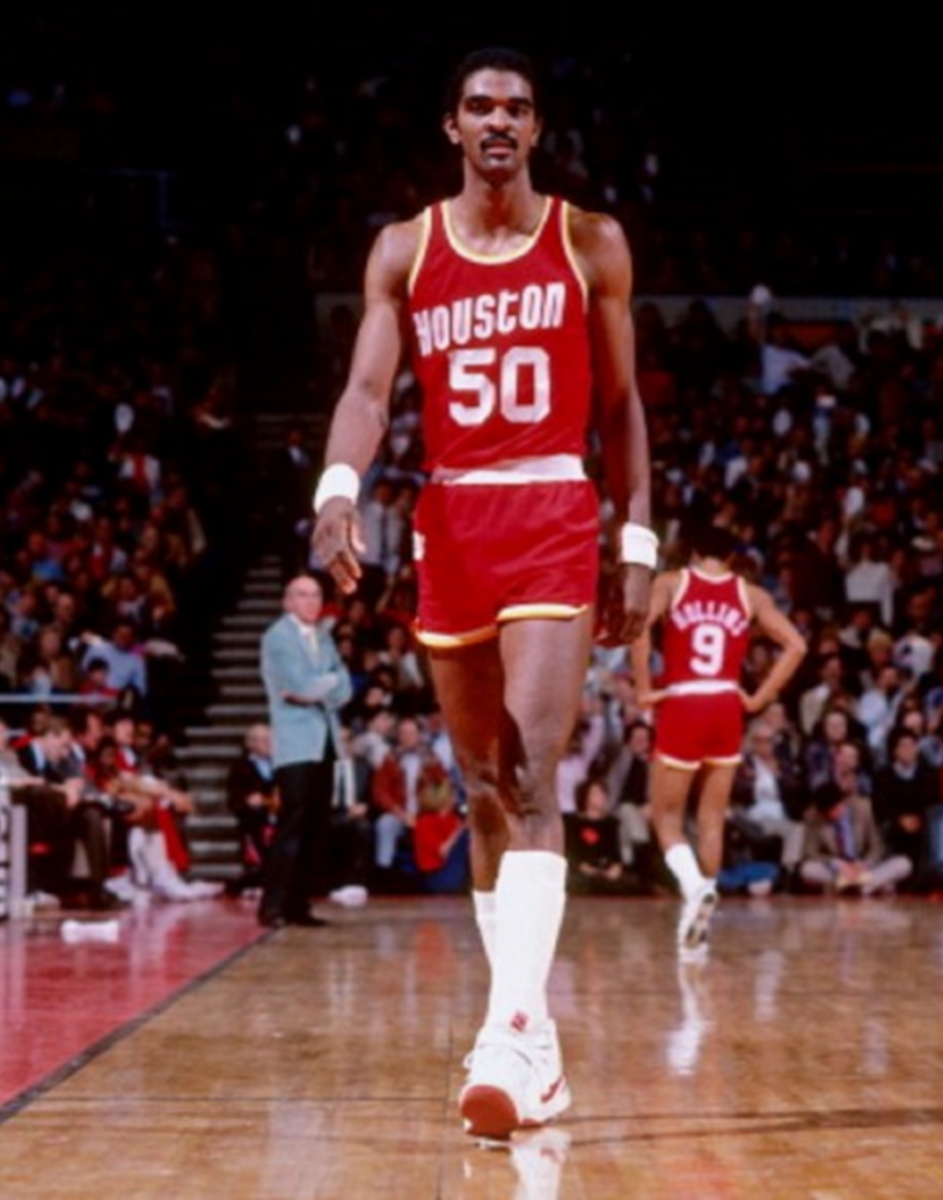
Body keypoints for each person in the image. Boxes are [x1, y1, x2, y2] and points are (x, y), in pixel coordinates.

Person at [312, 46, 655, 1140]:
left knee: (533, 767)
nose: (497, 121)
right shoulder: (405, 249)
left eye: (516, 107)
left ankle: (508, 1025)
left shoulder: (587, 240)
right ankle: (535, 1052)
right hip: (450, 517)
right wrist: (336, 489)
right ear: (450, 127)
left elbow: (621, 406)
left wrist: (635, 534)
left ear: (536, 128)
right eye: (478, 106)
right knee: (478, 784)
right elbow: (370, 387)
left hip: (553, 507)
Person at [632, 523, 806, 956]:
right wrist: (759, 698)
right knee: (713, 819)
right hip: (727, 704)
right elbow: (797, 645)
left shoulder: (673, 582)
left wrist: (640, 687)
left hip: (684, 700)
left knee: (666, 818)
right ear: (732, 557)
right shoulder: (751, 594)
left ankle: (694, 890)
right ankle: (699, 929)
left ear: (692, 550)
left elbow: (638, 627)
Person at [258, 574, 352, 927]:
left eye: (315, 595)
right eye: (302, 595)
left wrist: (322, 685)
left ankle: (298, 904)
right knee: (291, 826)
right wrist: (327, 681)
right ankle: (272, 906)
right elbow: (297, 687)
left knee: (315, 828)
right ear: (288, 601)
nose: (311, 601)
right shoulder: (278, 636)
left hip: (324, 742)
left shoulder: (323, 637)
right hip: (295, 746)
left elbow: (345, 689)